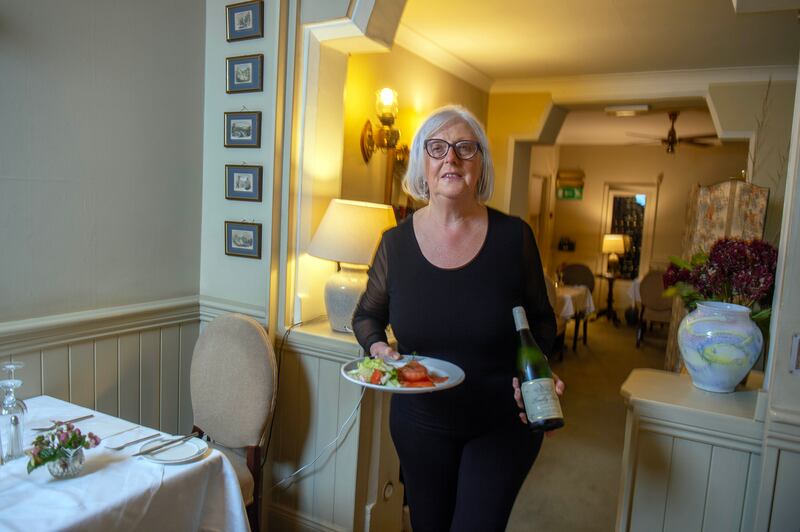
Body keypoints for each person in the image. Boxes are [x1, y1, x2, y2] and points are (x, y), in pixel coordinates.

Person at [352, 105, 564, 532]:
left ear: (480, 163)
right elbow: (367, 315)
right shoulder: (395, 244)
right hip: (419, 424)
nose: (451, 158)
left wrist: (536, 377)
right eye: (438, 148)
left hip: (502, 423)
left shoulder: (513, 238)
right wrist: (379, 349)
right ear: (422, 165)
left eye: (465, 148)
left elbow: (542, 323)